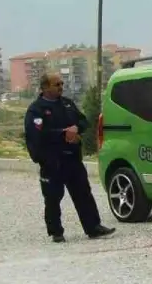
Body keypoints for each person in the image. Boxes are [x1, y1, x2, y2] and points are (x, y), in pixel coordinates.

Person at [24, 72, 116, 242]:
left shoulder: (67, 104)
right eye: (56, 84)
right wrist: (62, 134)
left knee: (83, 194)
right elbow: (36, 135)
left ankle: (93, 227)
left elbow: (83, 121)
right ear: (45, 87)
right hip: (52, 161)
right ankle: (56, 232)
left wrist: (76, 128)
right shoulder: (36, 109)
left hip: (73, 159)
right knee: (53, 198)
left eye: (61, 84)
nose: (61, 88)